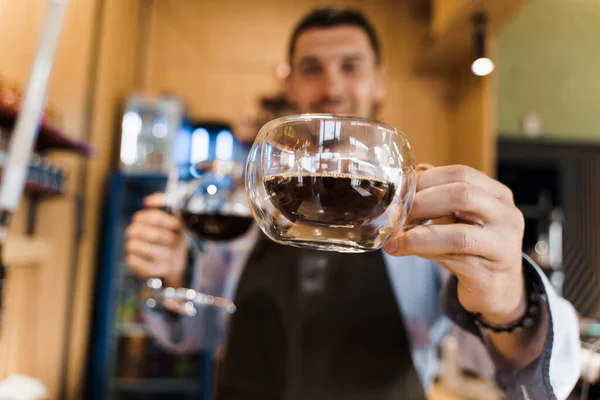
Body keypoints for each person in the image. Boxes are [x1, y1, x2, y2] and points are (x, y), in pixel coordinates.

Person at [125, 7, 580, 399]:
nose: (332, 87)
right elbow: (199, 331)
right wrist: (172, 276)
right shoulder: (245, 209)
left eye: (351, 66)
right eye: (312, 68)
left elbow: (507, 366)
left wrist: (510, 301)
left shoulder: (422, 212)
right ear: (289, 88)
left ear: (379, 82)